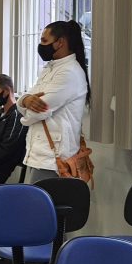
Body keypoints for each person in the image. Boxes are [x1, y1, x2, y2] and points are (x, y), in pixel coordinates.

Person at [16, 20, 91, 184]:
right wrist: (25, 100)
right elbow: (24, 99)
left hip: (54, 159)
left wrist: (26, 111)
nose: (41, 45)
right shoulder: (49, 68)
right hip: (39, 154)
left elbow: (37, 112)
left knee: (42, 200)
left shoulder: (69, 72)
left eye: (44, 41)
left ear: (60, 42)